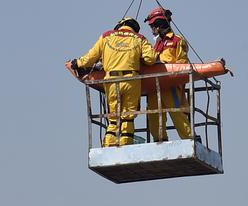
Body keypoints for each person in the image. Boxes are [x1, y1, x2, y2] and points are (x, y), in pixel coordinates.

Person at [69, 18, 157, 147]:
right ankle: (125, 143)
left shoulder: (106, 36)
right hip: (131, 81)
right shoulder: (140, 38)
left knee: (114, 117)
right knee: (128, 116)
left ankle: (109, 145)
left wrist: (76, 63)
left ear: (120, 25)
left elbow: (90, 58)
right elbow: (151, 59)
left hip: (111, 81)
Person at [144, 6, 193, 142]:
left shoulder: (178, 41)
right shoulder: (157, 44)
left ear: (160, 24)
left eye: (153, 26)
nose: (152, 29)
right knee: (154, 118)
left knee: (178, 116)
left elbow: (182, 64)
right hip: (155, 87)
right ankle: (160, 142)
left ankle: (191, 140)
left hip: (171, 86)